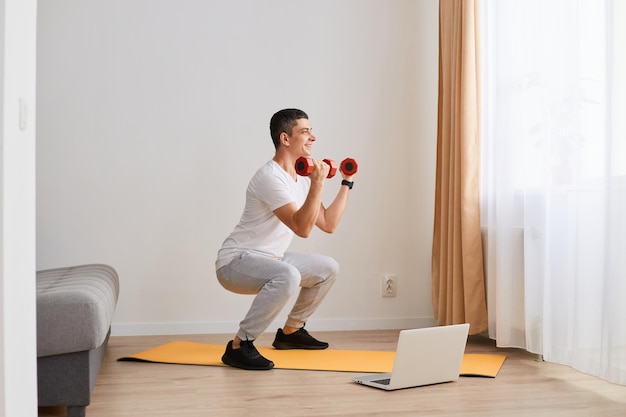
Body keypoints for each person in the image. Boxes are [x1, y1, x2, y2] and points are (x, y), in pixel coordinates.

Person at [215, 108, 356, 370]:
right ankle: (239, 345)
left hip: (272, 258)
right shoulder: (270, 177)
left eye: (312, 131)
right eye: (305, 131)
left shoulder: (301, 180)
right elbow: (302, 229)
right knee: (288, 275)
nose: (313, 137)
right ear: (285, 139)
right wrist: (318, 184)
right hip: (236, 262)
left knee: (327, 268)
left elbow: (328, 223)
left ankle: (291, 332)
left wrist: (346, 182)